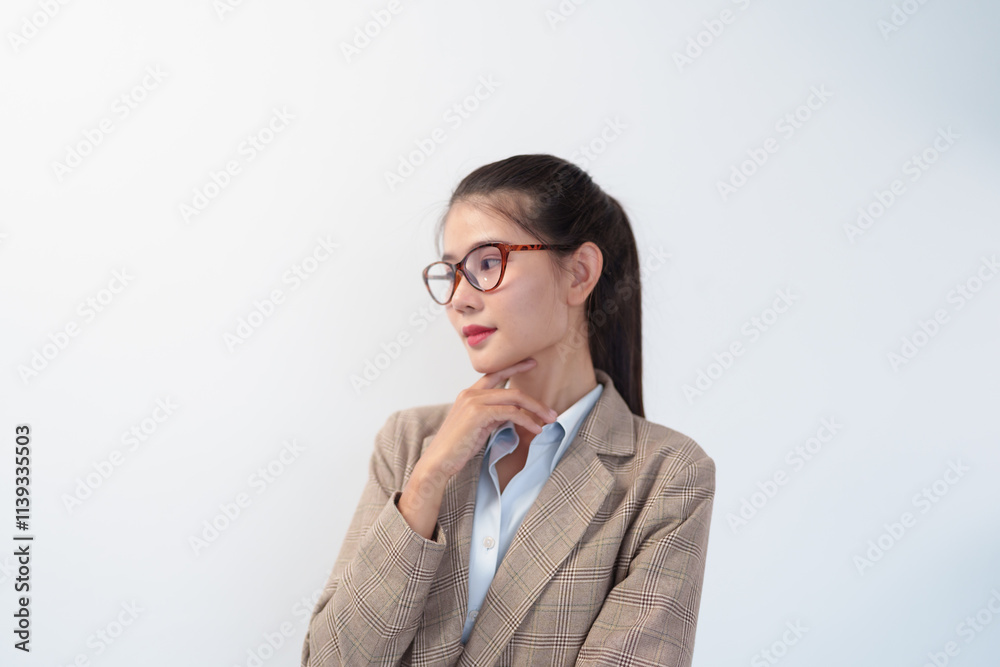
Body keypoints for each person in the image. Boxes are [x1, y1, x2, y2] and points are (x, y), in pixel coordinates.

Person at [301, 154, 715, 666]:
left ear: (579, 273)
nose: (459, 299)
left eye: (487, 263)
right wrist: (427, 481)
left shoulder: (667, 475)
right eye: (452, 272)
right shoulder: (410, 442)